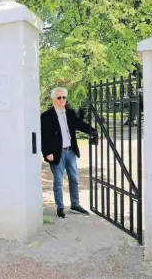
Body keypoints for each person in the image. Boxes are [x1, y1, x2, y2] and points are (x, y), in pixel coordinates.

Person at [40, 87, 98, 218]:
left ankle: (75, 205)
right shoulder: (46, 116)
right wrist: (46, 153)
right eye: (59, 98)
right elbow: (43, 137)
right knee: (58, 181)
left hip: (70, 151)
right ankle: (60, 207)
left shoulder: (70, 113)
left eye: (64, 97)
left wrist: (93, 131)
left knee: (74, 178)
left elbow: (81, 124)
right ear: (53, 99)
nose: (62, 100)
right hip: (56, 153)